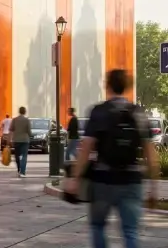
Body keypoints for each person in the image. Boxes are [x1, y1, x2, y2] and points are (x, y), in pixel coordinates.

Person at [65, 69, 157, 248]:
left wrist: (75, 179)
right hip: (131, 181)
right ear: (127, 87)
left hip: (103, 181)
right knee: (130, 231)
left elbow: (85, 149)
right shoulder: (138, 113)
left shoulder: (99, 112)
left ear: (107, 85)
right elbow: (150, 154)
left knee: (98, 226)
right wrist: (153, 188)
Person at [11, 106, 31, 178]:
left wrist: (10, 139)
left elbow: (11, 129)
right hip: (25, 140)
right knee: (24, 156)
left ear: (19, 111)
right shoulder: (27, 120)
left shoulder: (14, 119)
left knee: (17, 155)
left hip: (16, 140)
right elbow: (29, 131)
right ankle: (22, 172)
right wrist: (31, 136)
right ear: (25, 112)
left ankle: (19, 168)